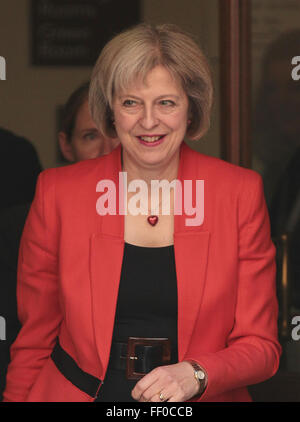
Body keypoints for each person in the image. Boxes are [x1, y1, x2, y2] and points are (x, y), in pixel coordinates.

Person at [3, 23, 281, 403]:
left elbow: (261, 347)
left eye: (166, 102)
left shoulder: (238, 193)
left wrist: (197, 374)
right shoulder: (58, 193)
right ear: (111, 110)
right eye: (131, 102)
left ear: (191, 107)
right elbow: (33, 342)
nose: (148, 121)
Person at [0, 82, 118, 401]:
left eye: (116, 132)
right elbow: (26, 339)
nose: (107, 149)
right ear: (66, 146)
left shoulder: (178, 215)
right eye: (90, 136)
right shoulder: (21, 226)